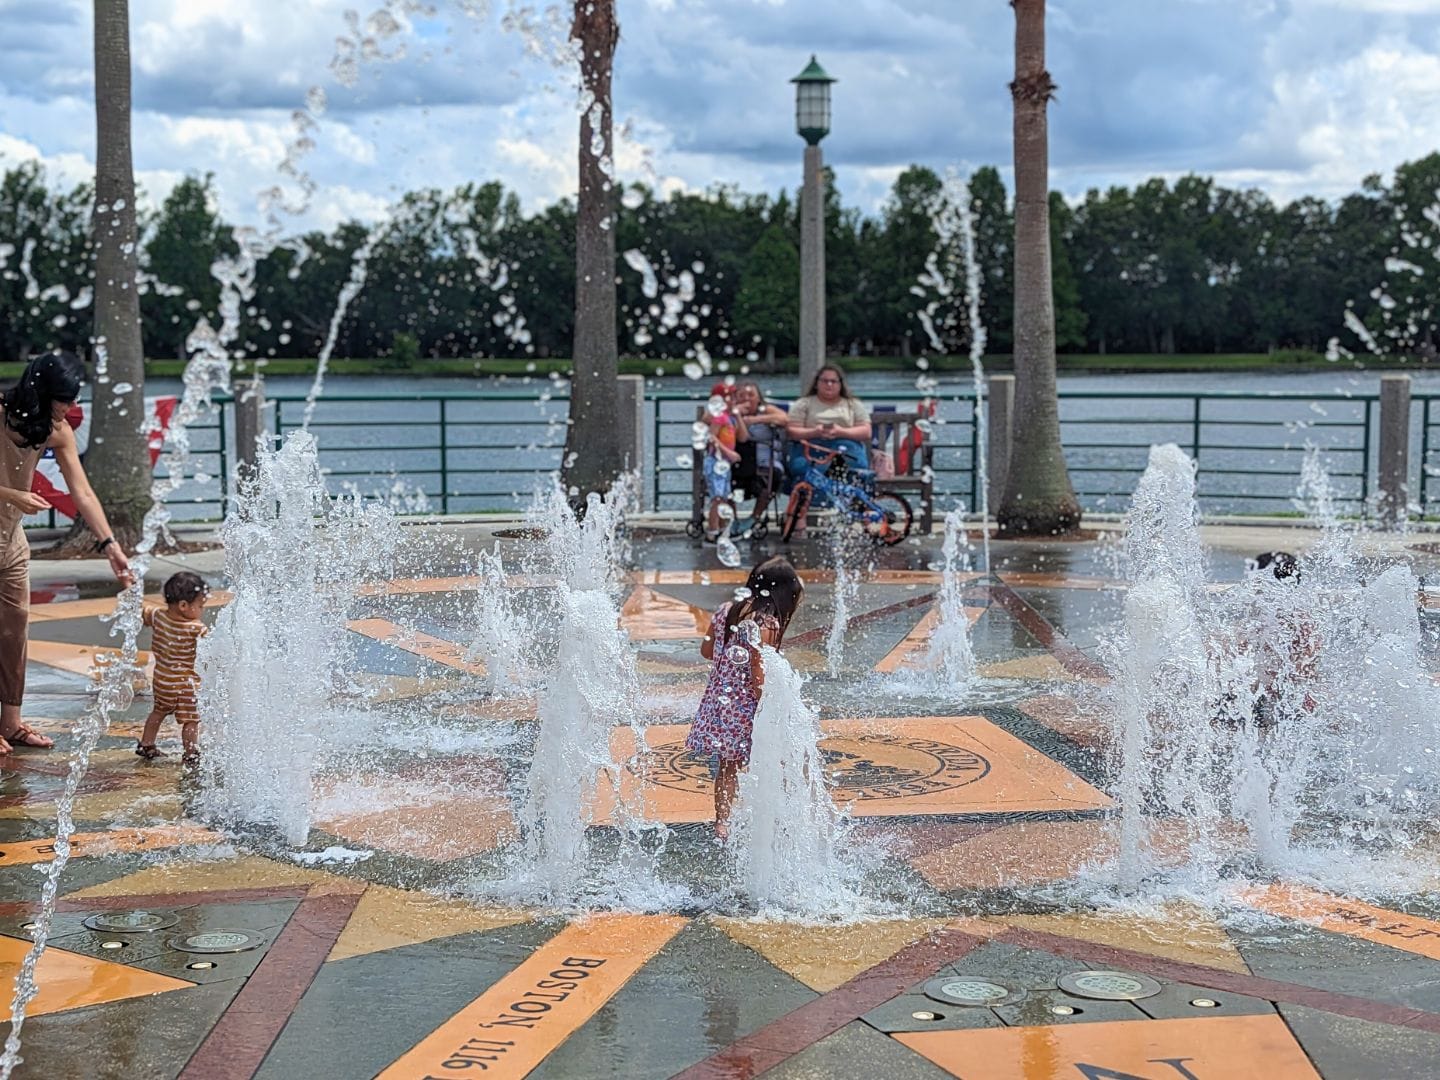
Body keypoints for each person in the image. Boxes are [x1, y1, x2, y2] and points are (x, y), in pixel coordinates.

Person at [0, 352, 133, 754]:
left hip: (10, 543)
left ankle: (11, 723)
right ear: (41, 391)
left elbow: (83, 491)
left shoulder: (56, 430)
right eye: (65, 399)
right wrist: (12, 494)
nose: (71, 408)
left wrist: (110, 545)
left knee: (14, 631)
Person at [687, 555, 805, 841]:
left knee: (727, 765)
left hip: (721, 701)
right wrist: (770, 705)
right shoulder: (767, 624)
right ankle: (779, 814)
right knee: (774, 758)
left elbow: (706, 651)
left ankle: (722, 823)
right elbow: (758, 672)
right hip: (749, 705)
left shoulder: (726, 610)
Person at [136, 572, 210, 764]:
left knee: (158, 712)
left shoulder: (158, 616)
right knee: (191, 720)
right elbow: (212, 650)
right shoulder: (196, 628)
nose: (201, 610)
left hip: (161, 680)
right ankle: (190, 753)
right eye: (200, 606)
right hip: (185, 684)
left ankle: (147, 744)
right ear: (184, 605)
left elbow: (142, 613)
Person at [785, 364, 872, 476]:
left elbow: (866, 431)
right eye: (824, 381)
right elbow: (792, 431)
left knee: (855, 467)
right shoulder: (803, 403)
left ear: (840, 384)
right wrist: (815, 432)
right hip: (811, 447)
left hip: (846, 447)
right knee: (802, 468)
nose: (829, 384)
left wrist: (841, 432)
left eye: (833, 381)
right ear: (817, 383)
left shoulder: (853, 404)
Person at [731, 381, 788, 537]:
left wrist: (756, 420)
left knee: (772, 476)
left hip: (765, 459)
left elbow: (784, 419)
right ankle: (732, 518)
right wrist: (735, 413)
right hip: (739, 461)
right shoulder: (731, 412)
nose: (746, 399)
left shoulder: (765, 410)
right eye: (741, 395)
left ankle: (754, 517)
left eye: (751, 395)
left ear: (758, 398)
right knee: (725, 475)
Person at [702, 383, 747, 543]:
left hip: (724, 463)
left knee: (724, 496)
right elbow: (712, 438)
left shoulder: (730, 417)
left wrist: (738, 416)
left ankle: (721, 528)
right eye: (730, 397)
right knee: (718, 497)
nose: (734, 400)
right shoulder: (719, 417)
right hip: (716, 461)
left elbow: (743, 437)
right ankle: (712, 530)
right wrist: (728, 452)